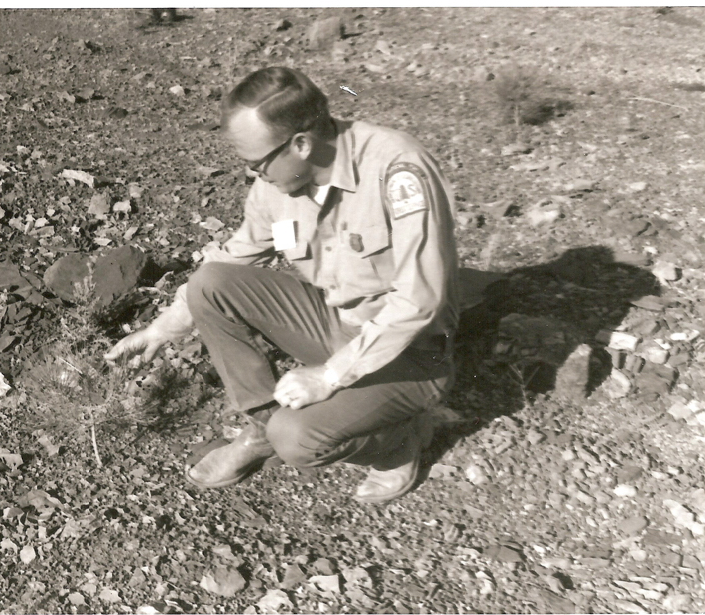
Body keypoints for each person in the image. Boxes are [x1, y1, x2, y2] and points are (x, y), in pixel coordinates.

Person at [105, 66, 460, 503]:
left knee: (296, 440)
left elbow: (418, 301)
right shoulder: (279, 180)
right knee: (210, 283)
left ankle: (397, 445)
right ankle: (260, 430)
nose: (255, 176)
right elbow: (234, 257)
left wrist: (329, 377)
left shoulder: (397, 170)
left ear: (301, 144)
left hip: (410, 355)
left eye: (257, 164)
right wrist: (164, 327)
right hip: (336, 323)